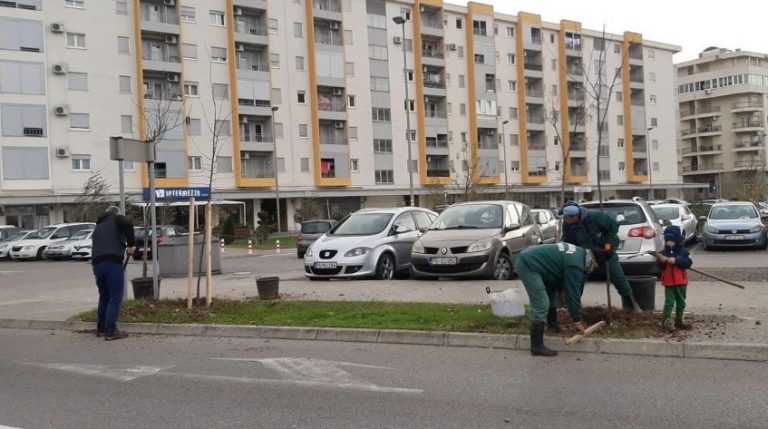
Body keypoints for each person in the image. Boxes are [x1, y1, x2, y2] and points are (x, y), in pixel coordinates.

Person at [515, 243, 598, 357]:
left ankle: (552, 325)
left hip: (541, 266)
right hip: (528, 264)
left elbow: (574, 286)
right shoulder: (576, 263)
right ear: (592, 260)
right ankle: (536, 346)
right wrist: (577, 320)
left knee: (550, 296)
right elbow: (572, 294)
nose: (593, 269)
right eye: (595, 266)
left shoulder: (581, 254)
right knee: (541, 303)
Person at [560, 201, 642, 311]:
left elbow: (612, 228)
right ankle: (572, 308)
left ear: (576, 216)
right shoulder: (567, 224)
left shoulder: (596, 217)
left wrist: (608, 248)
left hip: (603, 251)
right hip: (584, 253)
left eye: (568, 217)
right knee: (576, 279)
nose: (565, 220)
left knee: (617, 276)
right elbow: (569, 241)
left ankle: (632, 305)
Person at [91, 206, 135, 341]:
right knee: (115, 296)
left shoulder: (98, 227)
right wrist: (131, 245)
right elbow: (127, 223)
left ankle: (101, 328)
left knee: (104, 296)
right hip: (112, 262)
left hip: (97, 264)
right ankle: (110, 330)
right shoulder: (116, 219)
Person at [651, 226, 693, 331]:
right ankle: (666, 321)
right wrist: (662, 260)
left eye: (672, 240)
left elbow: (688, 263)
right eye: (668, 240)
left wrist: (676, 260)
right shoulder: (663, 252)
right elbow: (659, 267)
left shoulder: (683, 252)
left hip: (681, 281)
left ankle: (679, 321)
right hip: (669, 282)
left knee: (681, 302)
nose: (669, 242)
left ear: (677, 240)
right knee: (669, 302)